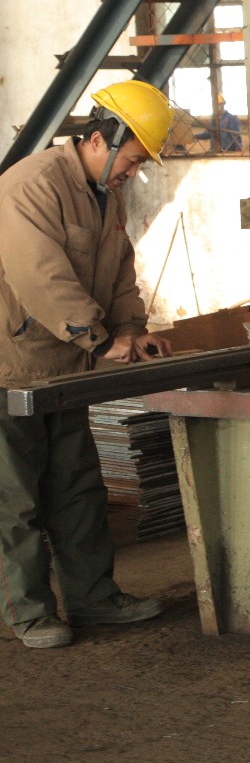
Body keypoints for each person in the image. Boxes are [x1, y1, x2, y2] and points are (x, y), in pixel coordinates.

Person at [0, 79, 176, 649]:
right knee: (16, 500)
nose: (133, 172)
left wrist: (131, 331)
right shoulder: (32, 185)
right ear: (100, 139)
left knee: (77, 489)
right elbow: (40, 276)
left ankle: (93, 598)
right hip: (11, 367)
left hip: (63, 370)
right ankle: (31, 614)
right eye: (131, 160)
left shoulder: (105, 195)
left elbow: (120, 270)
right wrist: (99, 342)